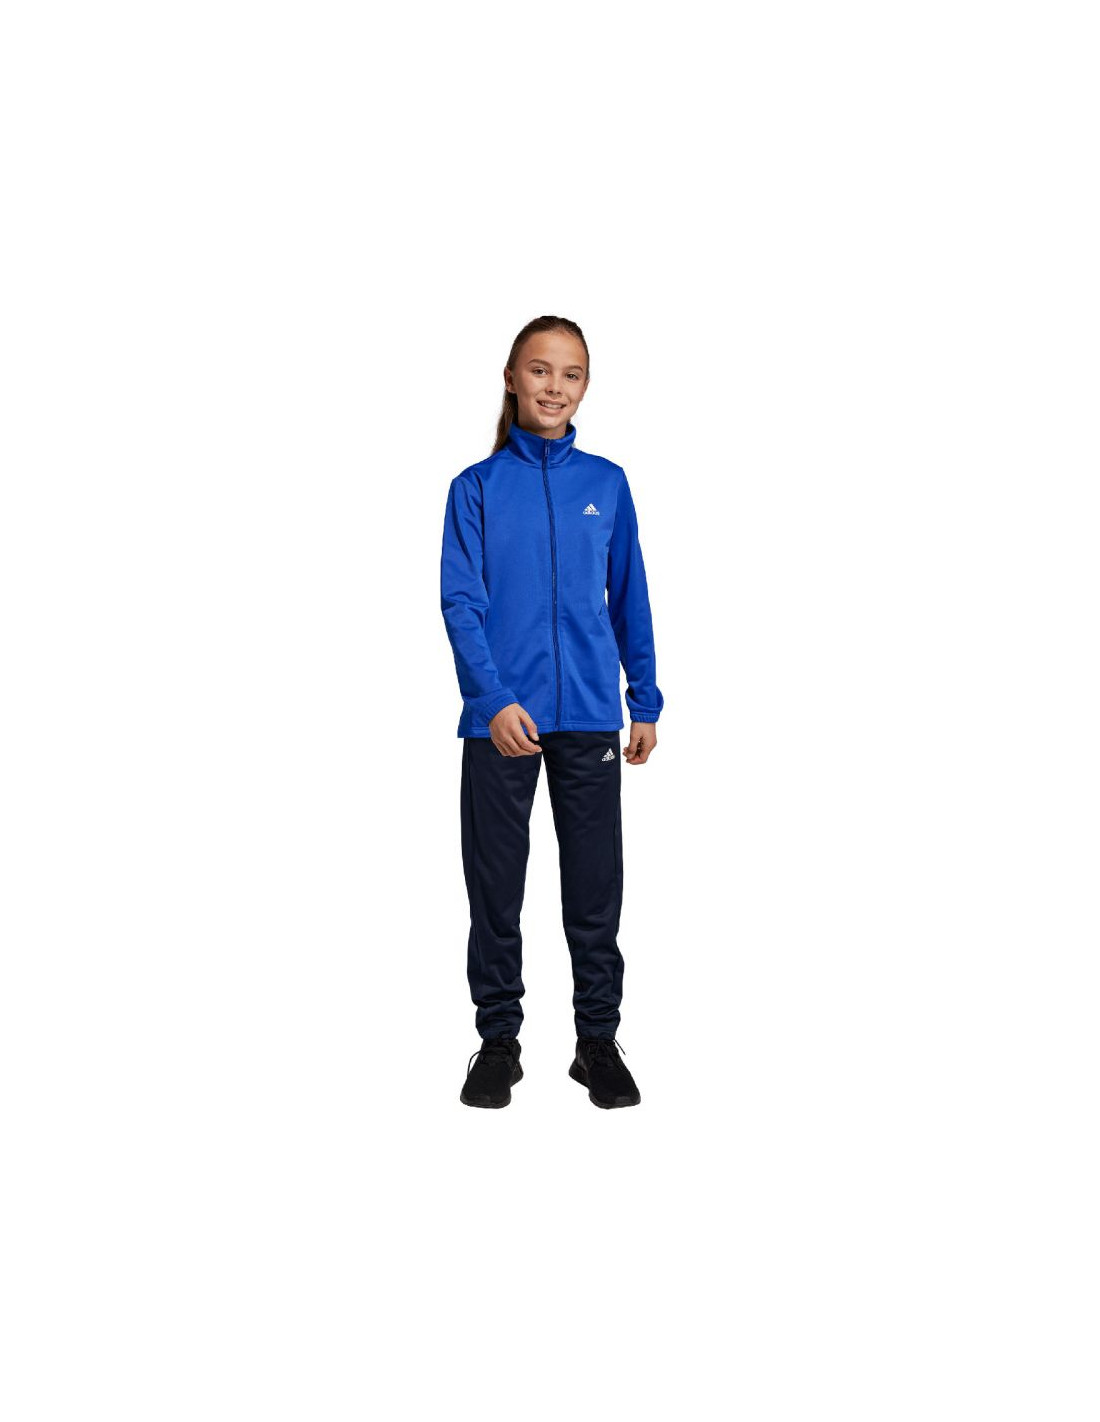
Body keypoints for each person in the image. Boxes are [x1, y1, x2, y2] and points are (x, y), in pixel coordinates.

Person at [439, 315, 664, 1110]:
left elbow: (629, 596)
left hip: (591, 714)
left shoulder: (607, 484)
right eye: (540, 370)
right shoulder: (475, 488)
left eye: (571, 374)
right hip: (501, 722)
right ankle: (498, 1043)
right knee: (495, 888)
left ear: (586, 386)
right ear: (511, 378)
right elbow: (461, 602)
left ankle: (596, 1042)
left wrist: (644, 698)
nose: (554, 387)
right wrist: (492, 700)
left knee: (595, 889)